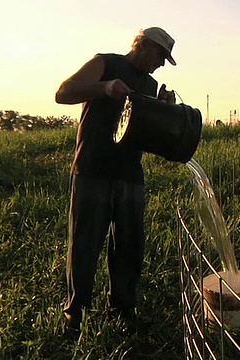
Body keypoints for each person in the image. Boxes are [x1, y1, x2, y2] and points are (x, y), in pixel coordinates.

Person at [55, 26, 177, 339]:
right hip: (94, 169)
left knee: (130, 247)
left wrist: (162, 108)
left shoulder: (149, 84)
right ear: (145, 46)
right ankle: (75, 314)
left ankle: (122, 311)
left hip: (130, 174)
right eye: (161, 55)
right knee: (85, 245)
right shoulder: (105, 64)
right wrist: (104, 87)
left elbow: (144, 132)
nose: (162, 64)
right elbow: (63, 93)